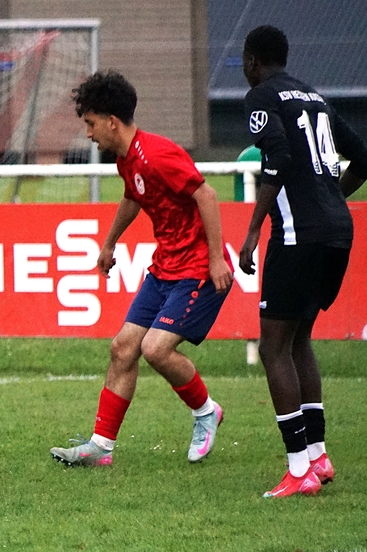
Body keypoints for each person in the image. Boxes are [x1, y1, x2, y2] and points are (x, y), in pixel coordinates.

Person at [50, 71, 234, 468]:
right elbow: (133, 197)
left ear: (112, 122)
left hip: (197, 269)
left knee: (155, 349)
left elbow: (206, 194)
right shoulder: (127, 159)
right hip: (165, 269)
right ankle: (101, 447)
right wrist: (109, 243)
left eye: (91, 123)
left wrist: (216, 258)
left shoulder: (158, 155)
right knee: (123, 348)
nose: (88, 133)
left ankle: (206, 412)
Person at [238, 25, 367, 498]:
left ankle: (299, 469)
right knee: (298, 340)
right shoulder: (314, 98)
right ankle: (318, 456)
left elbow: (276, 157)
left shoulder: (262, 96)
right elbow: (364, 160)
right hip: (338, 231)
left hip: (298, 235)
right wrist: (330, 200)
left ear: (253, 61)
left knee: (273, 346)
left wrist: (253, 229)